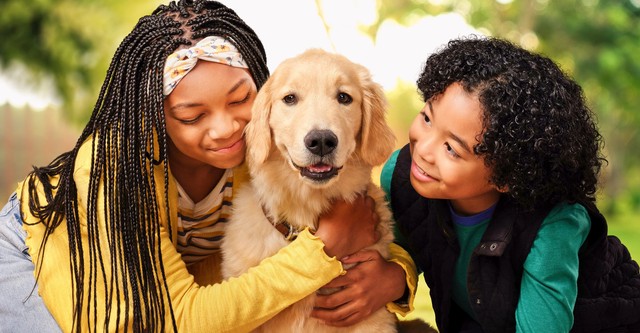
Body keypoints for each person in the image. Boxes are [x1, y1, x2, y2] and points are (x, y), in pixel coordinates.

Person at [0, 1, 417, 332]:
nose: (225, 130)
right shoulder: (113, 172)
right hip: (41, 252)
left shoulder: (261, 150)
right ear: (154, 117)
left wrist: (396, 275)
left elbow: (356, 226)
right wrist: (321, 251)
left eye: (239, 100)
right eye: (192, 116)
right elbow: (180, 319)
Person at [381, 36, 640, 332]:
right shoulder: (401, 176)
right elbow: (404, 248)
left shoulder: (553, 225)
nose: (424, 150)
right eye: (427, 118)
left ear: (506, 176)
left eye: (452, 149)